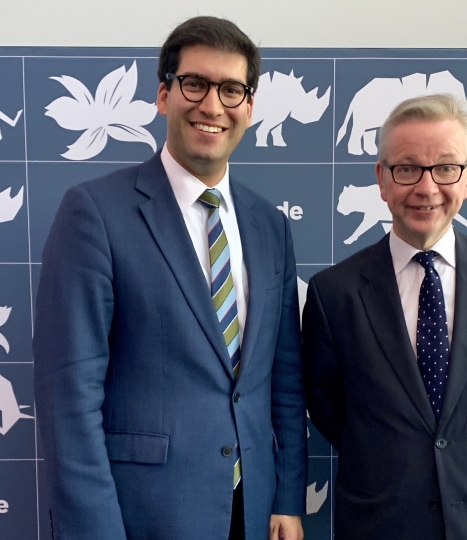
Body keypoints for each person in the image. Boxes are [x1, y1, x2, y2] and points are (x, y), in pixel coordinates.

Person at [33, 16, 306, 540]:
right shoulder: (95, 212)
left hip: (252, 513)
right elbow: (69, 397)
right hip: (141, 516)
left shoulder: (270, 226)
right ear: (163, 95)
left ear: (249, 107)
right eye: (194, 84)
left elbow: (284, 381)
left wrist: (288, 498)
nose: (212, 106)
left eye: (232, 89)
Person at [303, 94, 467, 540]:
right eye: (407, 169)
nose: (426, 188)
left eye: (446, 168)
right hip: (383, 525)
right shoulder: (334, 293)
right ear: (382, 179)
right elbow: (331, 411)